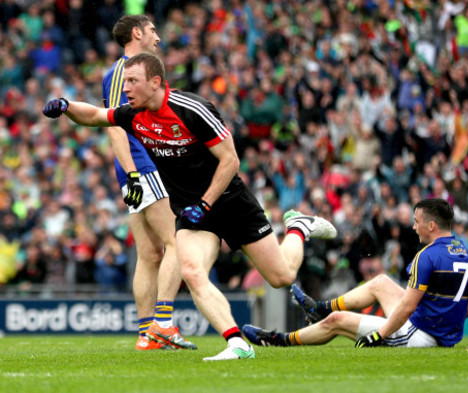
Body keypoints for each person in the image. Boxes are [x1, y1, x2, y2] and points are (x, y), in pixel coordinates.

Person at [42, 52, 337, 361]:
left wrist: (206, 202)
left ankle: (299, 228)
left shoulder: (192, 109)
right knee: (193, 272)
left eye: (132, 81)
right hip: (191, 212)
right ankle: (237, 343)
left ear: (155, 82)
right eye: (125, 81)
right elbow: (94, 116)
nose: (125, 88)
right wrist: (66, 106)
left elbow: (230, 160)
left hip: (229, 202)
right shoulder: (133, 114)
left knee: (282, 277)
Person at [241, 198, 468, 348]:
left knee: (338, 322)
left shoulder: (428, 255)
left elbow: (408, 308)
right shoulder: (466, 254)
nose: (413, 226)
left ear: (431, 226)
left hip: (419, 335)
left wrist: (380, 335)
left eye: (417, 221)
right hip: (434, 332)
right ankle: (320, 308)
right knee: (380, 282)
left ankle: (279, 340)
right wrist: (449, 325)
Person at [103, 15, 193, 351]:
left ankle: (146, 335)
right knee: (178, 242)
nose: (158, 36)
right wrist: (133, 174)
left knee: (149, 254)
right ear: (137, 32)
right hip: (144, 168)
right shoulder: (121, 72)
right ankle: (163, 324)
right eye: (153, 29)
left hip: (137, 171)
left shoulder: (133, 70)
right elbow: (113, 125)